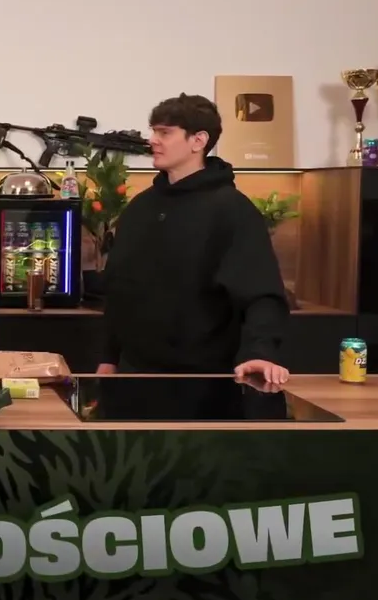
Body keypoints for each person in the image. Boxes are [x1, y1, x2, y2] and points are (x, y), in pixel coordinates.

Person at [97, 93, 291, 384]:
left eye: (165, 133)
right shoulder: (140, 207)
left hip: (205, 379)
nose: (152, 140)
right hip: (133, 374)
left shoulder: (232, 209)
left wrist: (260, 352)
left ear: (198, 141)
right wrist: (109, 358)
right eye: (153, 131)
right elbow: (119, 291)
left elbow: (262, 294)